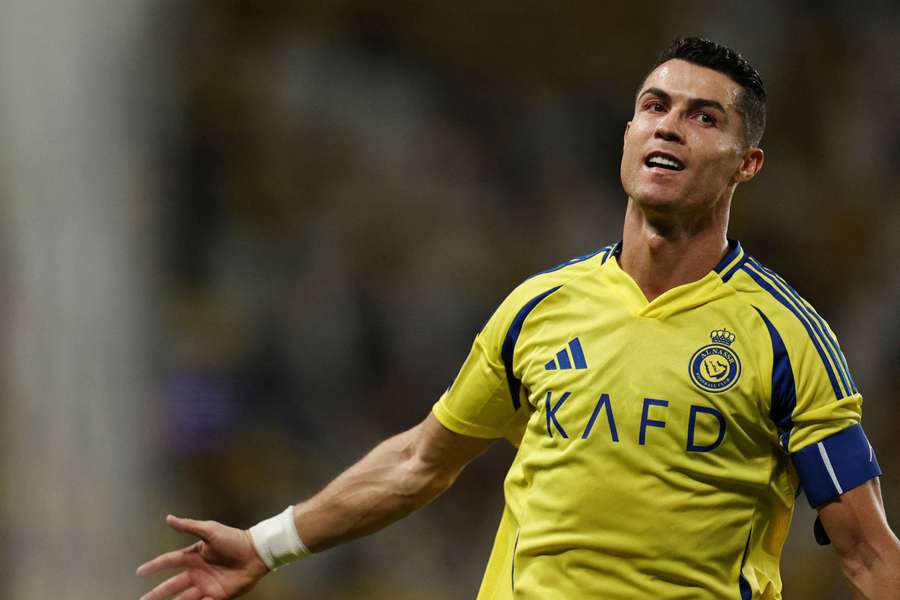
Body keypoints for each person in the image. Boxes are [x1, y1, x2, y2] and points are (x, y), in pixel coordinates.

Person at [137, 37, 900, 600]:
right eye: (653, 107)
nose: (668, 126)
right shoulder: (541, 306)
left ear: (747, 163)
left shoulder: (788, 338)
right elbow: (421, 462)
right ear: (629, 134)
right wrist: (268, 544)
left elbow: (865, 551)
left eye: (703, 118)